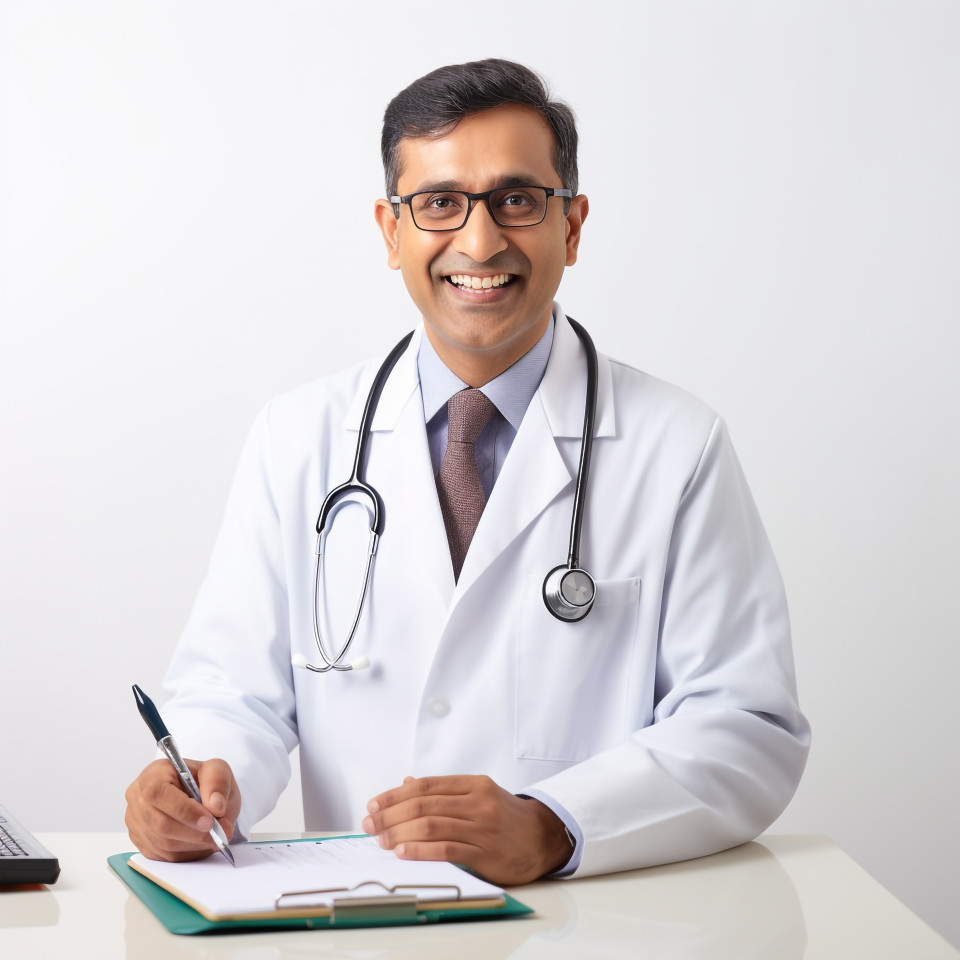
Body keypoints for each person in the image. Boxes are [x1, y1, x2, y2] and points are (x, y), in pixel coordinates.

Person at [125, 59, 809, 885]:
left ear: (573, 226)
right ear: (391, 231)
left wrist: (553, 824)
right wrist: (200, 780)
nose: (480, 243)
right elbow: (234, 692)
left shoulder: (677, 445)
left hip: (588, 924)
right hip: (361, 915)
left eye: (517, 200)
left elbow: (747, 727)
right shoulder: (296, 438)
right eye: (440, 203)